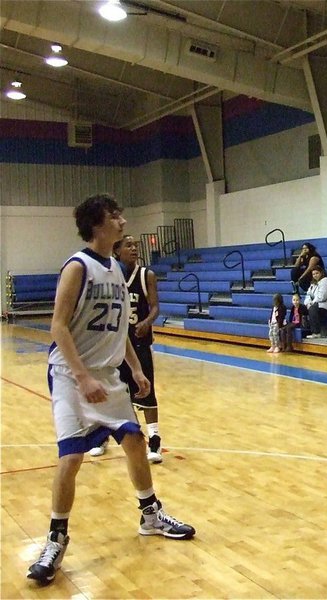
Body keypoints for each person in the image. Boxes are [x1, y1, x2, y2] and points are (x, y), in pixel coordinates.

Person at [28, 195, 194, 587]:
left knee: (135, 441)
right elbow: (57, 327)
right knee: (71, 458)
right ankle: (56, 538)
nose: (122, 220)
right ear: (98, 225)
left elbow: (116, 331)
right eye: (115, 216)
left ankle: (150, 514)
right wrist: (83, 376)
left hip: (109, 374)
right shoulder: (77, 267)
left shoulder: (117, 270)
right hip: (71, 375)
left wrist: (135, 369)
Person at [88, 235, 165, 463]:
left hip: (139, 344)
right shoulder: (112, 276)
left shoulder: (146, 275)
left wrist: (147, 322)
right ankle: (101, 437)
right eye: (128, 245)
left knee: (147, 393)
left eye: (135, 245)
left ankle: (154, 439)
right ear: (117, 251)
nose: (133, 249)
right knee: (110, 393)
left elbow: (155, 307)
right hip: (114, 345)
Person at [304, 266, 327, 338]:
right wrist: (308, 303)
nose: (315, 275)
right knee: (302, 308)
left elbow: (322, 297)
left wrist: (312, 303)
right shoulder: (313, 284)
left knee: (313, 307)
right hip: (320, 305)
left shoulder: (326, 281)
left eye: (317, 273)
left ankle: (316, 332)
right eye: (313, 274)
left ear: (321, 273)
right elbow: (308, 295)